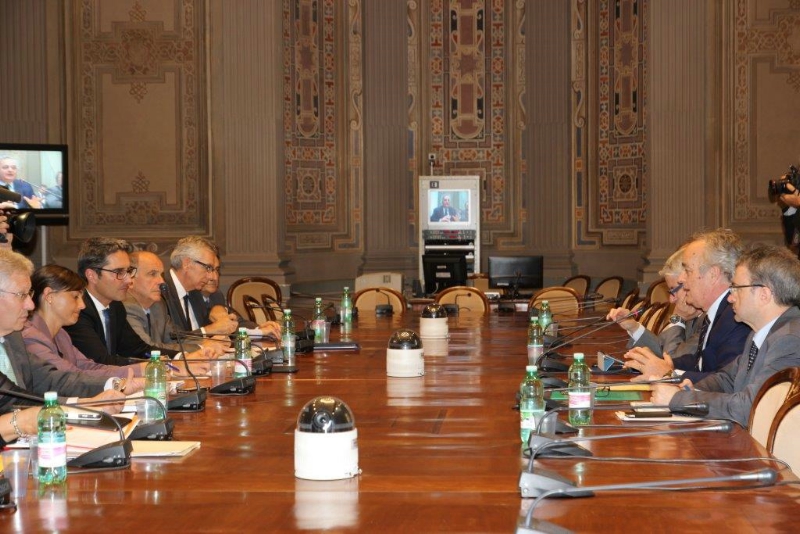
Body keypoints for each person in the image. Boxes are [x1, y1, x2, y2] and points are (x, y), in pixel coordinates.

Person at [652, 243, 800, 427]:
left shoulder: (789, 340)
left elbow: (750, 407)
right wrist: (691, 389)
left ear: (764, 294)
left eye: (736, 288)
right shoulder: (762, 332)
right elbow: (727, 379)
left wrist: (679, 399)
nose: (730, 297)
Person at [0, 248, 125, 415]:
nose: (30, 305)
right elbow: (15, 401)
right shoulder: (26, 334)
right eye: (21, 295)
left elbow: (51, 379)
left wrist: (111, 386)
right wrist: (87, 406)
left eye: (29, 294)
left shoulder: (13, 338)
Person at [623, 228, 752, 383]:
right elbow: (700, 363)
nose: (682, 279)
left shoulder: (735, 317)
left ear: (713, 275)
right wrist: (669, 365)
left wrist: (669, 373)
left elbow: (727, 382)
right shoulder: (719, 312)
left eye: (688, 271)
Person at [22, 264, 147, 388]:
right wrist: (135, 376)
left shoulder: (62, 334)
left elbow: (90, 366)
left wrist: (141, 369)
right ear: (49, 296)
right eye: (75, 297)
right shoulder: (30, 336)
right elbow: (72, 376)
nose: (82, 305)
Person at [64, 237, 174, 366]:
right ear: (92, 275)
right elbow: (101, 362)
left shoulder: (115, 306)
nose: (129, 280)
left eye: (128, 271)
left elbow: (137, 350)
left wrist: (182, 357)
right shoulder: (77, 310)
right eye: (119, 272)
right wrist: (153, 366)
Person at [124, 250, 226, 357]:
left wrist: (208, 342)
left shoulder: (158, 305)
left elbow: (176, 338)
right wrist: (201, 347)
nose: (161, 281)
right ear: (131, 279)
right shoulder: (126, 307)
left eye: (161, 274)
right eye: (152, 274)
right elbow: (147, 348)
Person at [607, 246, 702, 357]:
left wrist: (678, 319)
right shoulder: (689, 312)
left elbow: (672, 360)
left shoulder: (707, 319)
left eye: (673, 290)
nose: (671, 299)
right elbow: (662, 348)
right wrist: (634, 327)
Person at [162, 236, 239, 335]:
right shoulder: (161, 292)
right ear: (187, 264)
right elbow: (170, 338)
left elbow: (214, 324)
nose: (212, 276)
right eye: (208, 268)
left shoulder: (195, 292)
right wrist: (207, 331)